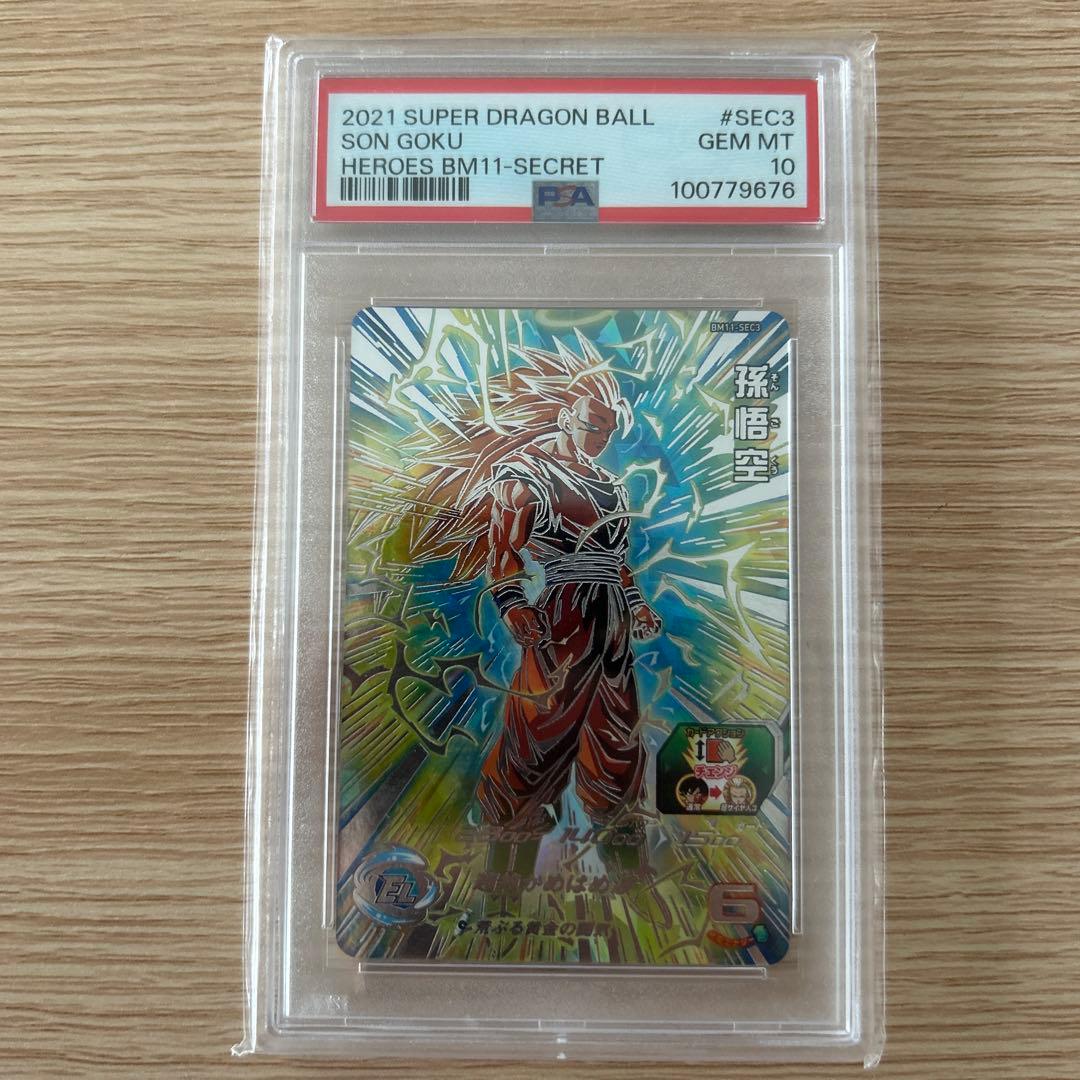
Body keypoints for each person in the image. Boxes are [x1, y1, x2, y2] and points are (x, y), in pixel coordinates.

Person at [476, 373, 662, 831]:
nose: (600, 439)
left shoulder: (611, 484)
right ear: (565, 418)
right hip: (564, 609)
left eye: (608, 432)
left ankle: (617, 817)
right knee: (543, 715)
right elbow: (503, 547)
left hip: (612, 617)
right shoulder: (527, 473)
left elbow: (615, 560)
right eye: (592, 426)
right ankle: (509, 817)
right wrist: (512, 601)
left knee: (617, 722)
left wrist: (636, 603)